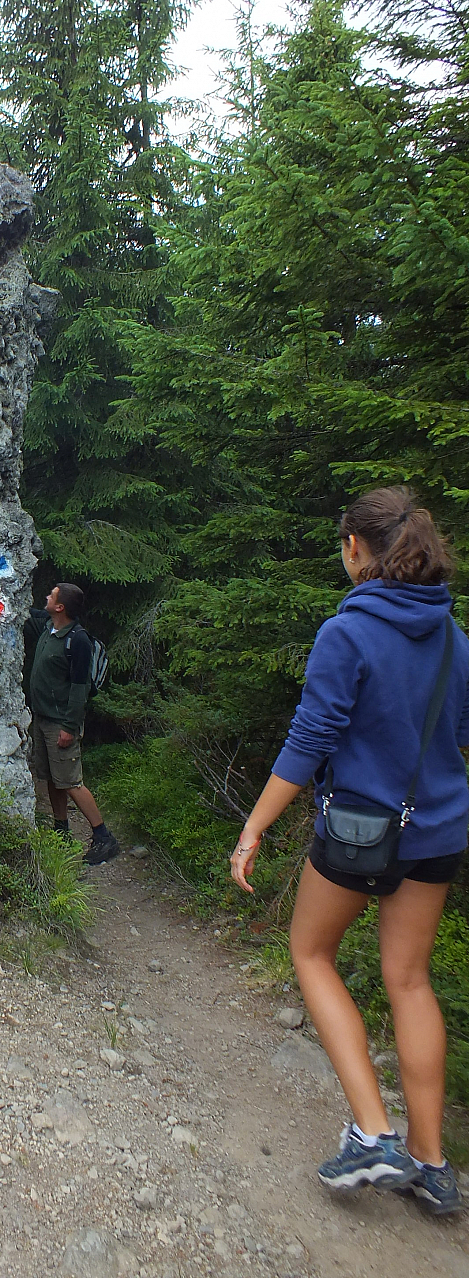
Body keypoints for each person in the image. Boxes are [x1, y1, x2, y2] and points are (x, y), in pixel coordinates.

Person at [231, 487, 469, 1214]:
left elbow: (311, 738)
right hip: (439, 833)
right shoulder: (454, 638)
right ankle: (432, 1164)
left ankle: (373, 1134)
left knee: (310, 953)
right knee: (411, 981)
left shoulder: (348, 631)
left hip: (362, 832)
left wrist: (254, 827)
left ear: (356, 548)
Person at [24, 582, 120, 865]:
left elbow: (80, 688)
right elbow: (22, 613)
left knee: (71, 782)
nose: (46, 596)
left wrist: (69, 727)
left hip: (61, 723)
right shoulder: (48, 627)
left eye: (51, 595)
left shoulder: (77, 640)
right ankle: (61, 830)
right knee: (52, 779)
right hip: (42, 718)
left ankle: (103, 837)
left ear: (60, 606)